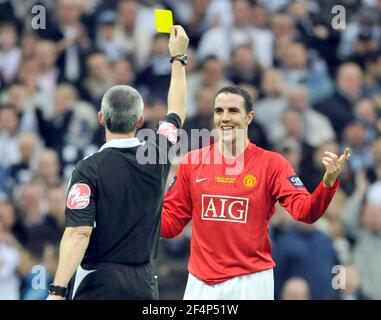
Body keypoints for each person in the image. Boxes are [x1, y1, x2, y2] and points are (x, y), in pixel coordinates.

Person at [161, 85, 350, 300]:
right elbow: (171, 225)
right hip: (201, 280)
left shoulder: (272, 164)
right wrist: (140, 207)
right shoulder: (191, 162)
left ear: (249, 117)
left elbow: (305, 213)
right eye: (219, 111)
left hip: (251, 280)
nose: (225, 118)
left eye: (233, 111)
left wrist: (327, 184)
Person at [47, 25, 189, 300]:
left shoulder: (88, 168)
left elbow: (78, 233)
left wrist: (56, 291)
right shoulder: (158, 153)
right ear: (139, 121)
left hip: (99, 284)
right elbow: (176, 111)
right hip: (144, 284)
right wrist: (178, 59)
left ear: (101, 117)